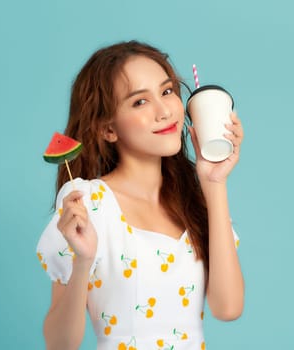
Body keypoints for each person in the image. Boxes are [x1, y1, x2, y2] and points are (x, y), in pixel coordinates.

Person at [36, 40, 245, 350]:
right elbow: (59, 344)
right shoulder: (88, 204)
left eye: (167, 91)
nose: (164, 111)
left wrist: (214, 183)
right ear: (108, 129)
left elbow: (227, 309)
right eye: (139, 102)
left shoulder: (194, 200)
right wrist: (82, 261)